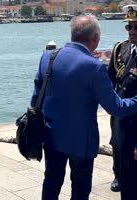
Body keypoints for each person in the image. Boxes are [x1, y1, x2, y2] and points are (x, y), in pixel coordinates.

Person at [31, 15, 137, 200]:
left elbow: (36, 99)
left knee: (51, 181)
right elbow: (116, 107)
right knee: (80, 188)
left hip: (50, 135)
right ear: (95, 39)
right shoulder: (94, 67)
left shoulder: (48, 57)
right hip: (82, 141)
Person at [107, 5, 137, 199]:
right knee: (125, 175)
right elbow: (110, 78)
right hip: (121, 118)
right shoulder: (122, 48)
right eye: (129, 27)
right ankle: (118, 175)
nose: (132, 32)